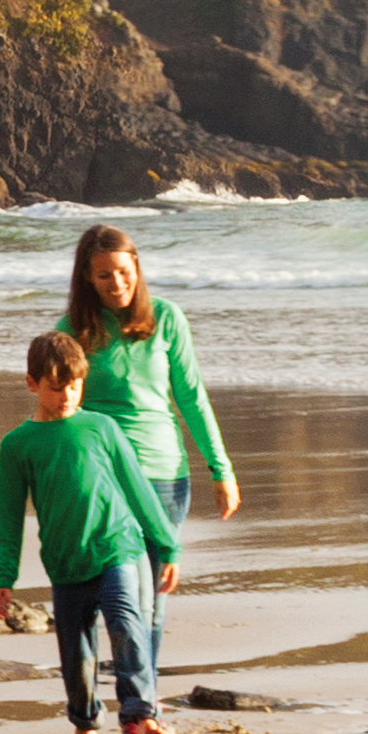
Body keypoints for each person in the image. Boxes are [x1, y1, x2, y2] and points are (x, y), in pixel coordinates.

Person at [0, 328, 173, 734]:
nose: (67, 396)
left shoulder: (101, 427)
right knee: (77, 655)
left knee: (127, 623)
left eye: (74, 385)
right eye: (56, 388)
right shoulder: (17, 445)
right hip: (66, 564)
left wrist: (167, 545)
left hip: (118, 548)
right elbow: (8, 514)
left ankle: (144, 720)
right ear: (33, 384)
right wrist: (4, 575)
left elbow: (138, 487)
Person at [65, 223, 237, 634]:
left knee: (153, 600)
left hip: (163, 476)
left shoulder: (166, 317)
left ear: (137, 267)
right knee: (118, 595)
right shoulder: (72, 330)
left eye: (124, 271)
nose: (116, 282)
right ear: (87, 278)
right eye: (103, 274)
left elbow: (192, 398)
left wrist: (221, 470)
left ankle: (143, 693)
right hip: (102, 480)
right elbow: (61, 411)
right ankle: (122, 690)